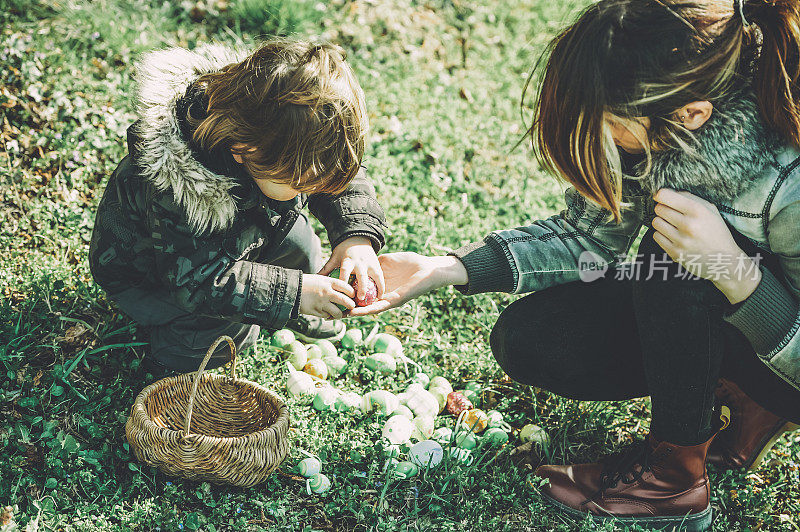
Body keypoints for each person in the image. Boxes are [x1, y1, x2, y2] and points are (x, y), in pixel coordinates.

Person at [354, 1, 800, 529]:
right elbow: (585, 238)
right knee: (534, 337)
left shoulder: (787, 178)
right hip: (738, 332)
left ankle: (675, 480)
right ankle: (744, 398)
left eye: (609, 123)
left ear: (692, 114)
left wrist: (735, 272)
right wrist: (446, 268)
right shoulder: (666, 121)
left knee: (675, 257)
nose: (599, 135)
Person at [89, 39, 387, 375]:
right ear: (243, 151)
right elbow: (198, 284)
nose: (315, 189)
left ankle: (297, 305)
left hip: (241, 237)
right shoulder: (181, 193)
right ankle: (175, 355)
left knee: (302, 245)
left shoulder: (281, 135)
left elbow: (334, 174)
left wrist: (356, 237)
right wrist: (293, 293)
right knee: (233, 328)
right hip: (156, 279)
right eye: (303, 183)